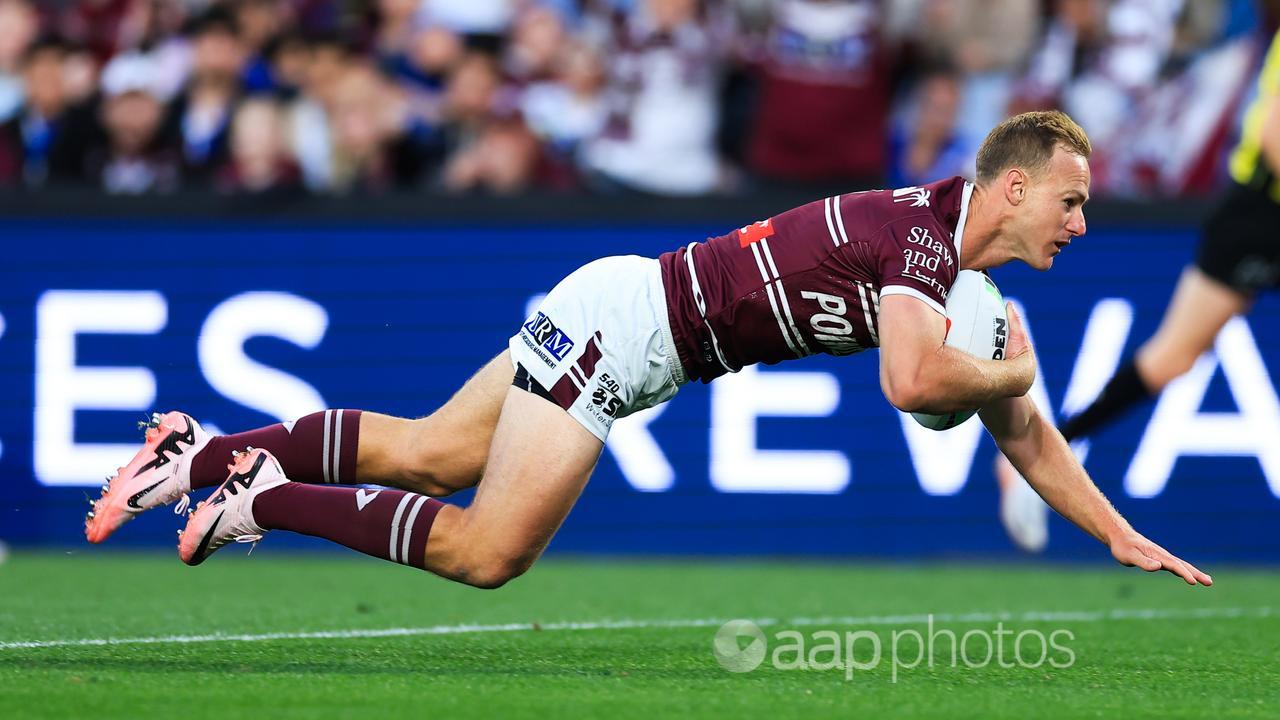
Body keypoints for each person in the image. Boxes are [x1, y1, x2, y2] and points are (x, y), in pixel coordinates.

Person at [85, 110, 1213, 590]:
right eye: (1068, 202)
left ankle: (197, 454)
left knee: (428, 454)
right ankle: (252, 501)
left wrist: (1115, 532)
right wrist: (1009, 369)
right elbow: (919, 383)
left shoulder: (941, 260)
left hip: (626, 309)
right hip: (620, 336)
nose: (1079, 223)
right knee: (487, 554)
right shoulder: (917, 243)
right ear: (1008, 188)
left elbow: (1023, 434)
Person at [995, 28, 1280, 553]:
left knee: (1172, 358)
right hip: (1260, 217)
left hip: (1257, 216)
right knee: (1171, 357)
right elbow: (1275, 140)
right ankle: (1036, 454)